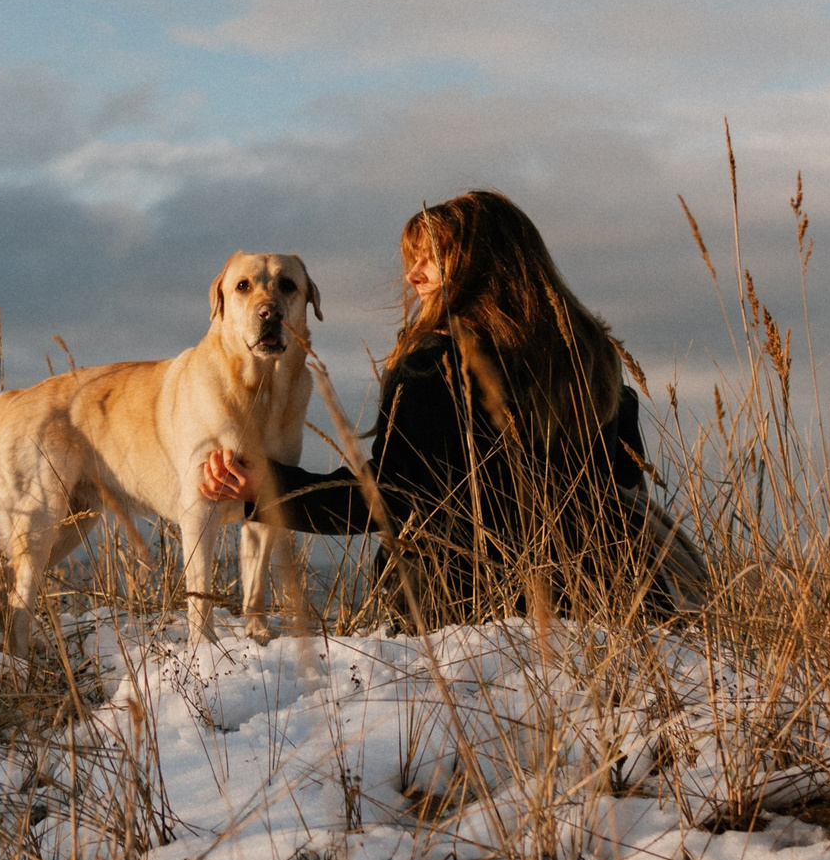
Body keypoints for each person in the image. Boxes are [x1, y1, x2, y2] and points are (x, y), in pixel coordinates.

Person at [198, 189, 710, 626]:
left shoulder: (436, 360)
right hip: (608, 598)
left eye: (431, 258)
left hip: (463, 606)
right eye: (410, 260)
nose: (413, 276)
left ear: (483, 261)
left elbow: (393, 495)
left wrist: (268, 487)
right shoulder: (592, 355)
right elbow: (623, 487)